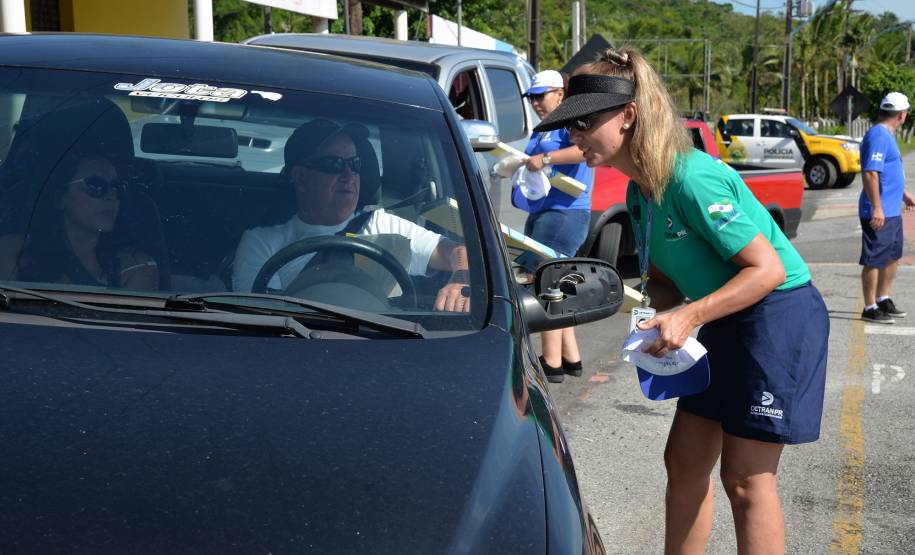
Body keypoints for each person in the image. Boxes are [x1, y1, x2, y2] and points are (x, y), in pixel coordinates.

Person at [534, 47, 829, 554]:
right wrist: (661, 314)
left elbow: (768, 269)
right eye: (569, 125)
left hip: (777, 314)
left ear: (628, 115)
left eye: (582, 121)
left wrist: (690, 315)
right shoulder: (638, 193)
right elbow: (664, 276)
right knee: (685, 462)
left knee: (746, 481)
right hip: (726, 314)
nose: (572, 135)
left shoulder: (692, 177)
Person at [232, 118, 470, 312]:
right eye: (333, 165)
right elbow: (261, 315)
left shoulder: (382, 224)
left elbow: (458, 251)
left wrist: (460, 279)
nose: (349, 175)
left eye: (354, 164)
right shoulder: (263, 242)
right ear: (301, 178)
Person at [516, 69, 594, 383]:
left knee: (545, 281)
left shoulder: (571, 122)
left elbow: (584, 150)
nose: (535, 102)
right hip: (545, 210)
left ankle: (550, 362)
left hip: (567, 212)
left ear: (560, 94)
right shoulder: (542, 127)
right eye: (531, 97)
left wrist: (546, 158)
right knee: (558, 284)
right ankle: (569, 357)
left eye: (540, 95)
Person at [0, 152, 159, 290]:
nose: (111, 196)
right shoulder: (13, 251)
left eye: (117, 187)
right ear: (60, 197)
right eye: (96, 186)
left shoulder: (136, 266)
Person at [857, 91, 915, 324]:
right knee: (874, 259)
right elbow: (871, 172)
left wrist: (903, 195)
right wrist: (877, 208)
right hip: (879, 211)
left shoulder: (887, 135)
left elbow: (887, 173)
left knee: (891, 257)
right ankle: (870, 307)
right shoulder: (879, 136)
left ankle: (883, 298)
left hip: (891, 210)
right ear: (901, 115)